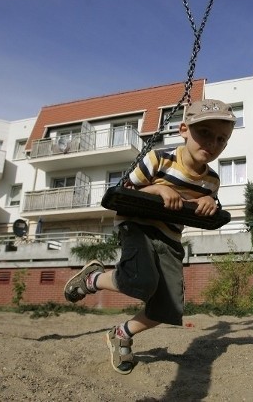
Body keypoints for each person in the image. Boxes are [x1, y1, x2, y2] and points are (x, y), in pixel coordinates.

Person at [63, 99, 236, 374]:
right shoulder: (160, 158)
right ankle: (92, 280)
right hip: (137, 225)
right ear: (183, 129)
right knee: (139, 280)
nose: (212, 143)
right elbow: (125, 189)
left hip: (170, 237)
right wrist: (156, 190)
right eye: (204, 133)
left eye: (221, 139)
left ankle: (121, 333)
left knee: (168, 307)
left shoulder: (211, 181)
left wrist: (209, 204)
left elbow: (206, 205)